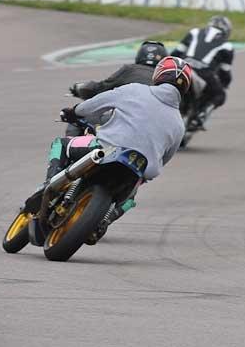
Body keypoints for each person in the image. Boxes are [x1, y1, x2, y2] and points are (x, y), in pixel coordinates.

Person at [47, 56, 191, 240]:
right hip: (139, 169)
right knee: (130, 198)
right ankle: (104, 221)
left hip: (106, 149)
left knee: (62, 144)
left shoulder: (135, 90)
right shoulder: (179, 124)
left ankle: (50, 186)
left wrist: (73, 112)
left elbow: (94, 104)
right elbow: (165, 159)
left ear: (158, 75)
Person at [66, 41, 167, 135]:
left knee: (77, 119)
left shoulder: (129, 70)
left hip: (125, 122)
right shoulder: (167, 78)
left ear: (139, 56)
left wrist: (80, 88)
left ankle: (68, 149)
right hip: (157, 127)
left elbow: (100, 88)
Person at [171, 15, 234, 128]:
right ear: (227, 31)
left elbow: (176, 53)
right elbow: (225, 71)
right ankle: (202, 115)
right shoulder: (227, 46)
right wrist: (225, 84)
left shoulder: (194, 32)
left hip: (183, 68)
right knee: (220, 95)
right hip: (204, 74)